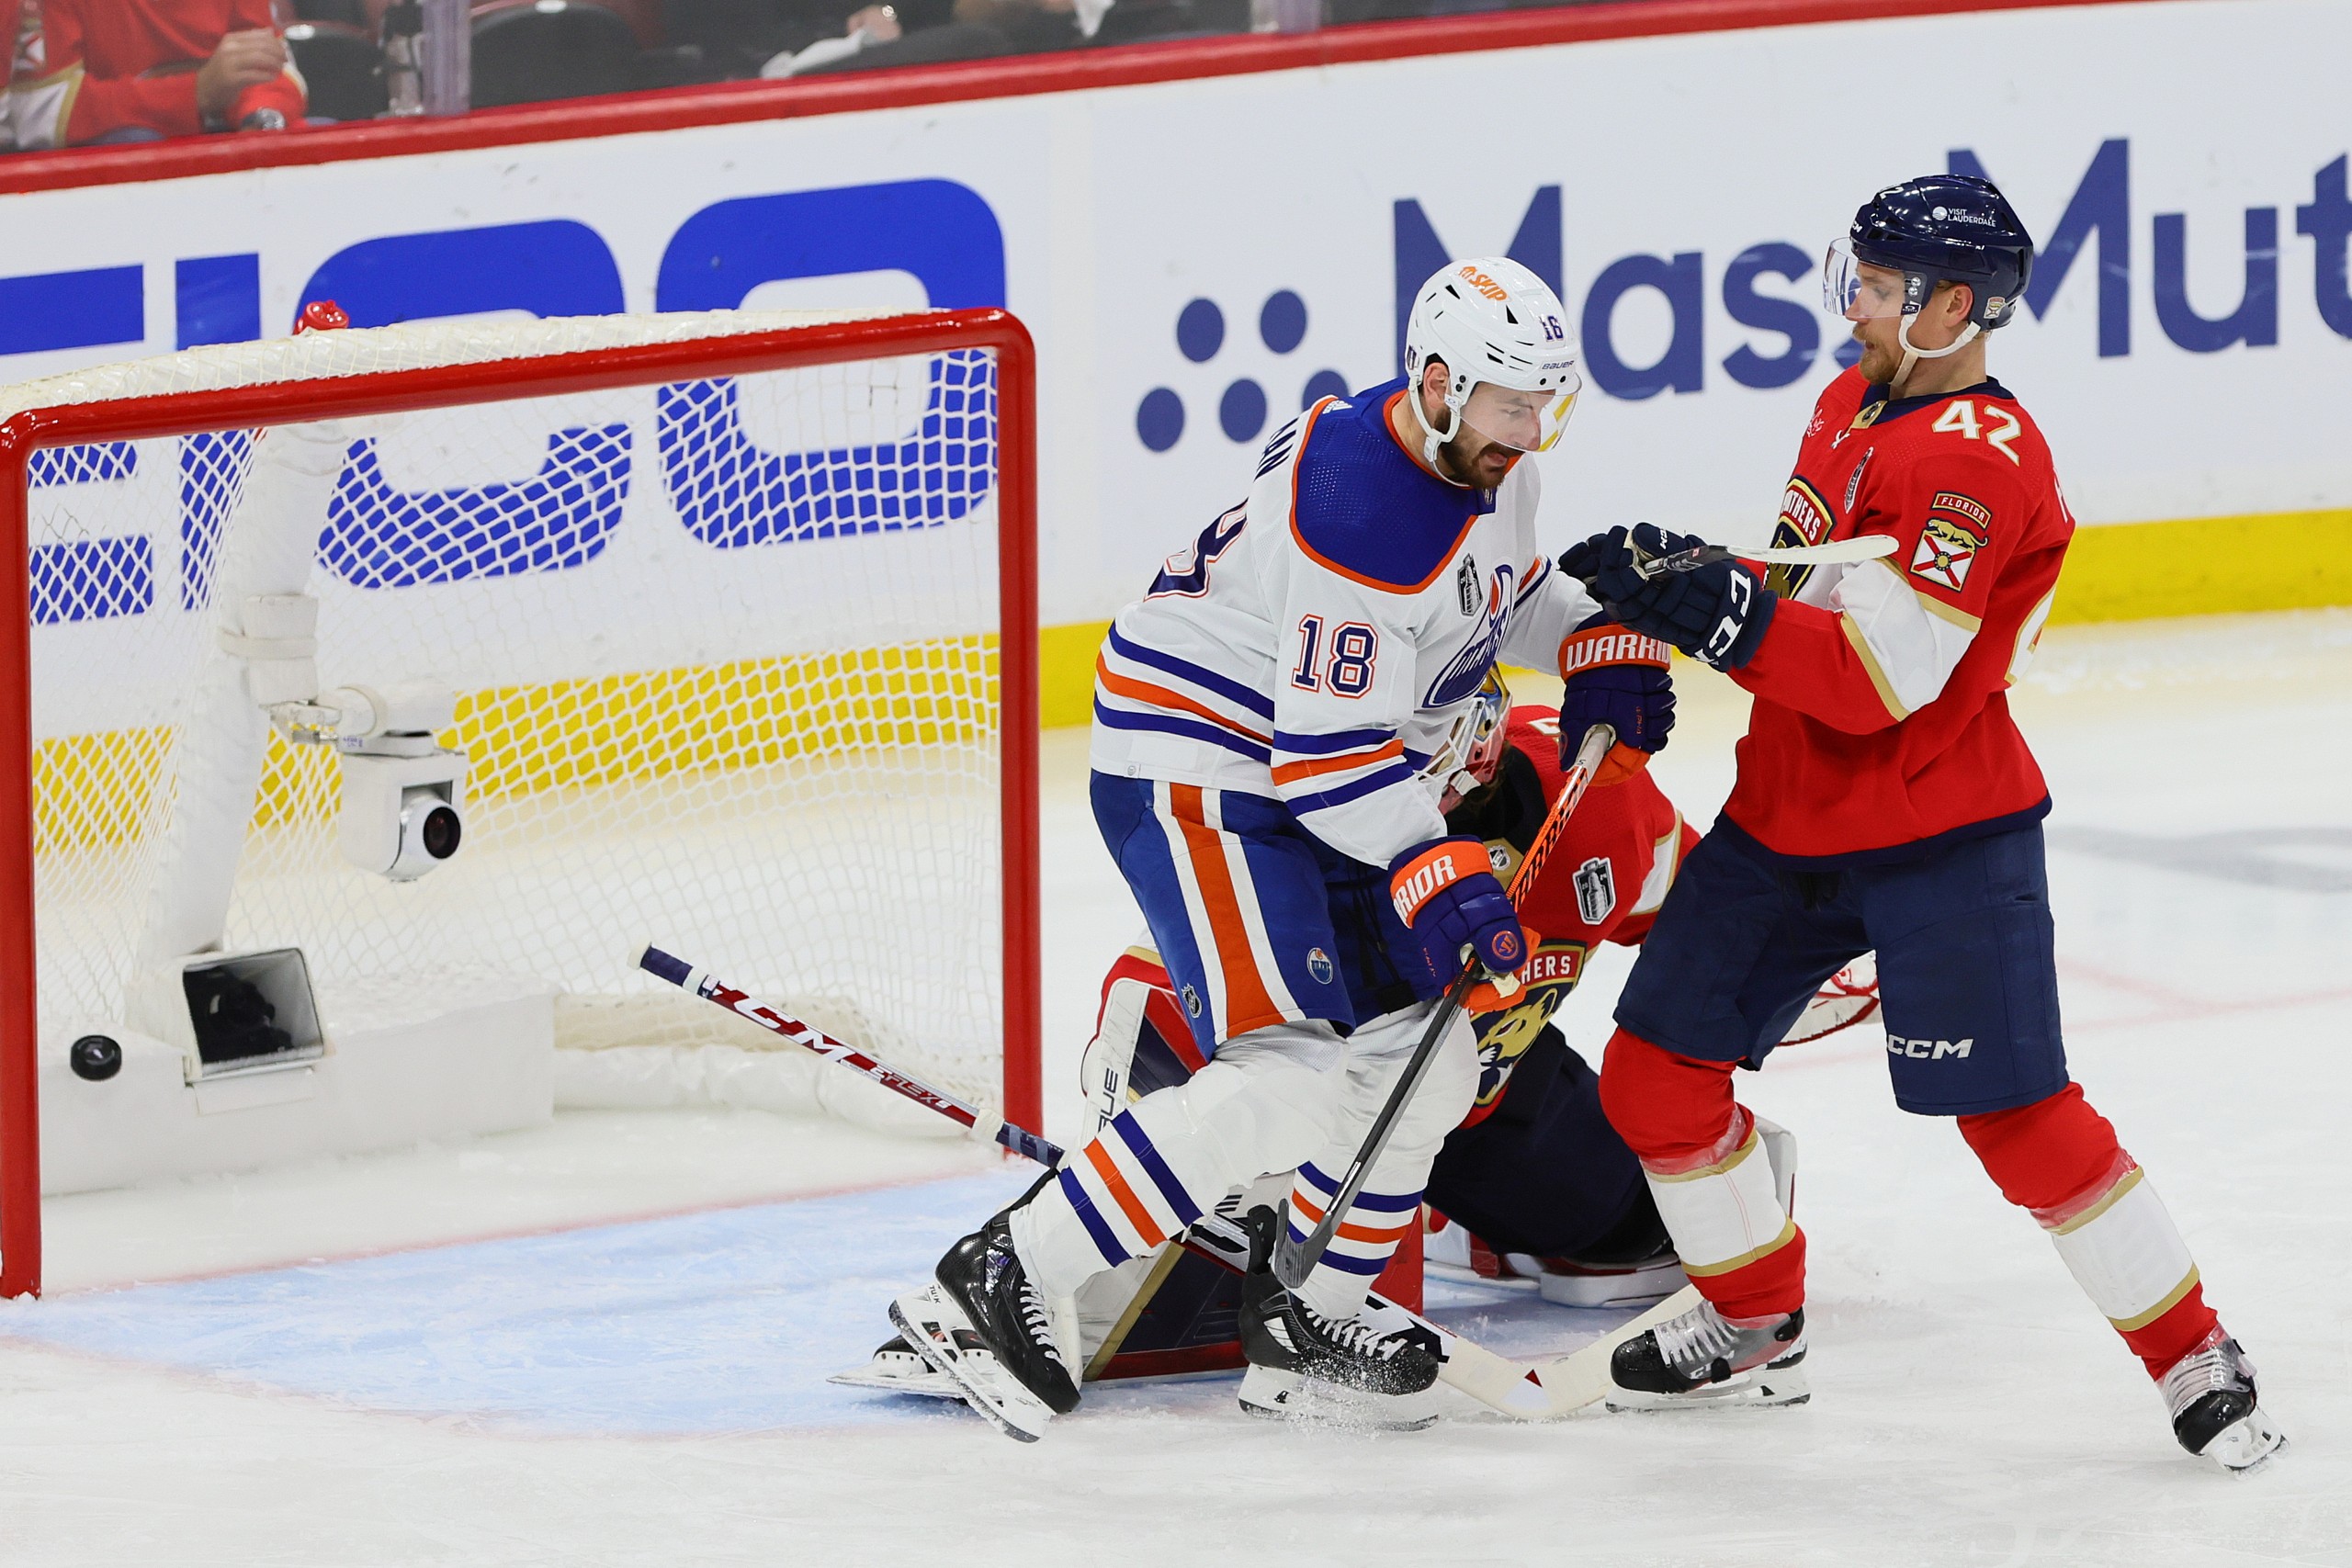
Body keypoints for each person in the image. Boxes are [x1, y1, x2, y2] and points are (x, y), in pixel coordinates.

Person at [1562, 175, 2284, 1471]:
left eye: (1885, 287)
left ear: (1955, 305)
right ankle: (1753, 1317)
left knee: (2017, 1113)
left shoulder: (1977, 464)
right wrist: (1695, 585)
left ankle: (2191, 1348)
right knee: (1654, 1073)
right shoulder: (1851, 403)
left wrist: (1717, 610)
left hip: (1943, 825)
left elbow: (1880, 679)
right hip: (1787, 812)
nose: (1859, 305)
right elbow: (1809, 601)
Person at [888, 255, 1635, 1441]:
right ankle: (1000, 1272)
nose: (1530, 429)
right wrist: (1429, 863)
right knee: (1289, 1070)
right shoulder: (1364, 515)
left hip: (1319, 776)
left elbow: (1507, 590)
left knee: (1427, 1056)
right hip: (1203, 775)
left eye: (1544, 402)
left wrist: (1594, 637)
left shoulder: (1492, 466)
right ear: (1438, 382)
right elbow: (1326, 755)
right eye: (1509, 401)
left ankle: (1309, 1319)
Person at [843, 676, 1874, 1423]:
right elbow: (1172, 970)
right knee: (1289, 1116)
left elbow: (1699, 931)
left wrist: (1805, 976)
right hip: (1300, 1072)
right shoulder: (1309, 812)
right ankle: (1029, 1262)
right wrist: (1141, 1104)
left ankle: (1416, 1239)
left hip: (1478, 1088)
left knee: (1633, 1236)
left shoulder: (1592, 797)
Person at [11, 0, 304, 149]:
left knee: (315, 132)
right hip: (110, 162)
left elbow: (273, 67)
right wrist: (196, 93)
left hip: (223, 135)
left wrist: (261, 121)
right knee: (135, 143)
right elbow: (41, 114)